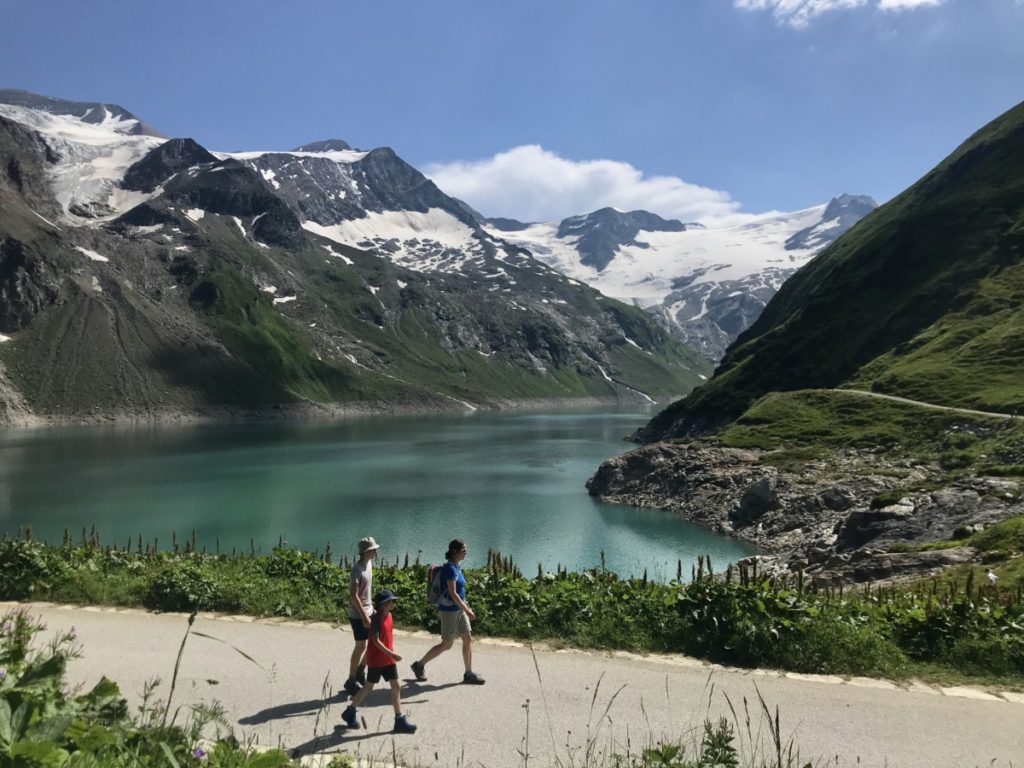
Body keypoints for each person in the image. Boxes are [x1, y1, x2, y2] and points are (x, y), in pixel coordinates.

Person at [341, 589, 417, 734]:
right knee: (368, 687)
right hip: (377, 660)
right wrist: (392, 653)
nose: (393, 603)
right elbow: (375, 641)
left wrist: (391, 654)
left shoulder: (390, 616)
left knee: (396, 686)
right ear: (383, 604)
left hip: (388, 659)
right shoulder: (376, 619)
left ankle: (399, 720)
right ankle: (350, 711)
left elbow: (387, 637)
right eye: (390, 601)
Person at [410, 539, 485, 685]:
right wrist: (468, 610)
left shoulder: (457, 566)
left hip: (459, 608)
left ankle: (468, 673)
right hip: (450, 611)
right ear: (454, 552)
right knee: (446, 644)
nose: (466, 552)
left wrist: (464, 608)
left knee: (467, 638)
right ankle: (419, 665)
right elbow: (452, 593)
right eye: (464, 550)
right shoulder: (449, 569)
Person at [344, 536, 379, 696]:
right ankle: (351, 680)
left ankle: (360, 671)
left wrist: (372, 609)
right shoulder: (357, 570)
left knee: (372, 643)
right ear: (366, 552)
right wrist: (364, 615)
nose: (376, 551)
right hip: (358, 614)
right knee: (361, 646)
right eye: (373, 549)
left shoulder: (369, 564)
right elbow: (354, 595)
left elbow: (367, 592)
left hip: (369, 610)